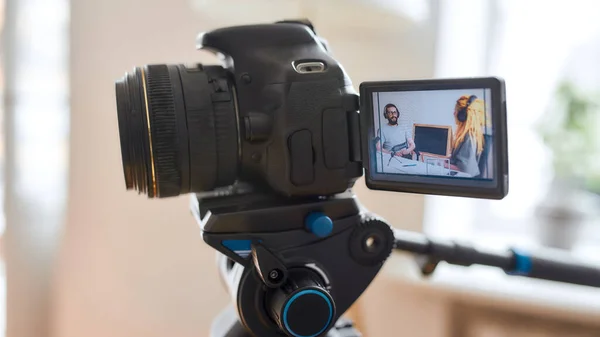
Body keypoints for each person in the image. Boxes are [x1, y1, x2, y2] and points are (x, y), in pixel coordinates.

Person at [449, 95, 486, 177]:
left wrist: (439, 164)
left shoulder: (470, 136)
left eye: (456, 111)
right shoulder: (469, 134)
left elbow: (464, 169)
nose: (454, 113)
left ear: (462, 116)